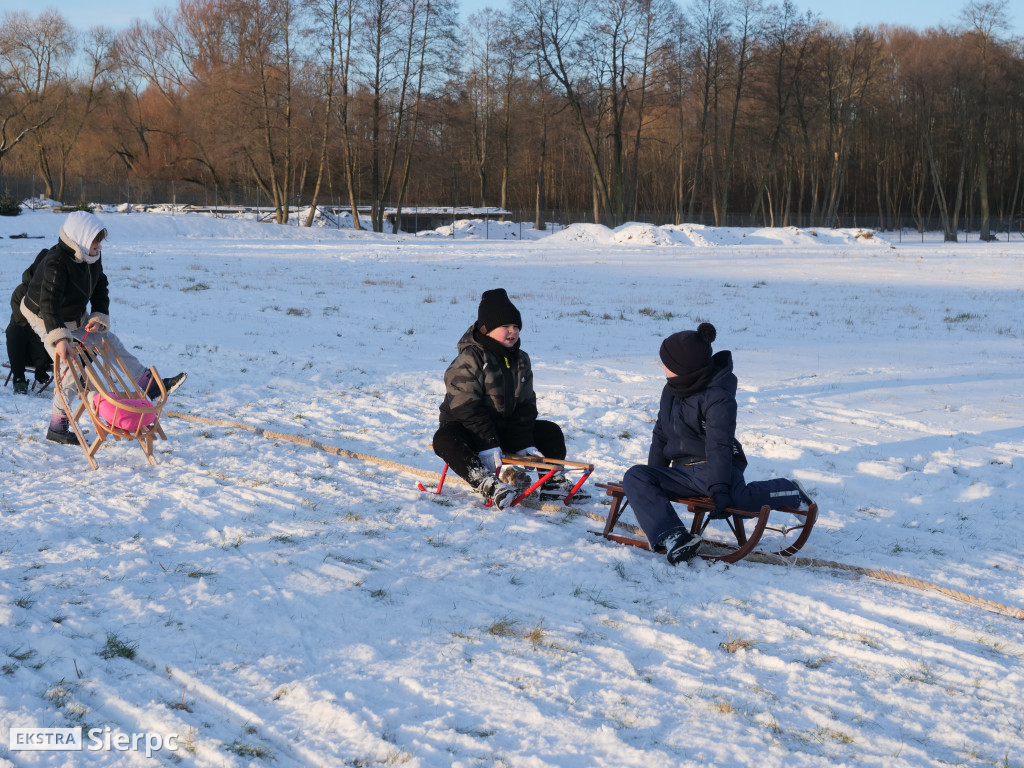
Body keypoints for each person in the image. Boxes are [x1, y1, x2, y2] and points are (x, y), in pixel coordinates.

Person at [622, 323, 811, 565]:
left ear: (683, 367)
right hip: (683, 471)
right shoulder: (670, 392)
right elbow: (660, 435)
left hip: (716, 466)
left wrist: (720, 488)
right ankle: (674, 537)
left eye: (667, 363)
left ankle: (790, 490)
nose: (663, 367)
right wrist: (654, 477)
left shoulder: (718, 397)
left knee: (739, 500)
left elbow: (719, 444)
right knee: (635, 476)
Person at [20, 210, 186, 445]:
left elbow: (99, 285)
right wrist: (61, 339)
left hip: (74, 314)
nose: (98, 247)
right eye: (94, 242)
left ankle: (148, 385)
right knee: (71, 367)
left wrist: (98, 316)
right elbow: (49, 303)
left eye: (99, 242)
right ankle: (57, 426)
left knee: (109, 340)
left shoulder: (91, 256)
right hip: (43, 315)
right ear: (80, 239)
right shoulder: (56, 262)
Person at [432, 288, 582, 509]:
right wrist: (488, 443)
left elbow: (526, 405)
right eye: (505, 327)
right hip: (469, 430)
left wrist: (523, 443)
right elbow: (466, 408)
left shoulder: (521, 360)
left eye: (516, 327)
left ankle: (552, 483)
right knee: (444, 438)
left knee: (550, 431)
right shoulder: (470, 359)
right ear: (487, 329)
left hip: (502, 430)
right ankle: (488, 483)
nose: (513, 332)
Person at [6, 249, 53, 393]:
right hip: (24, 351)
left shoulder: (55, 293)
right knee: (15, 330)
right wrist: (40, 364)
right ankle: (19, 379)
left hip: (49, 349)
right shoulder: (21, 292)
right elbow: (31, 329)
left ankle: (80, 378)